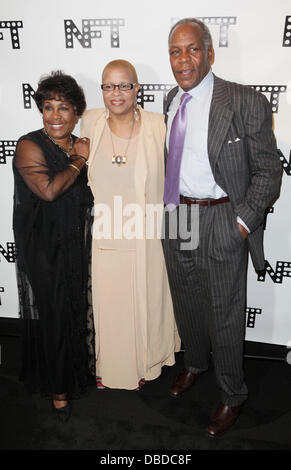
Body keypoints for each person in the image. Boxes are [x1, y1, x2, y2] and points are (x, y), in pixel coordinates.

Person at [162, 18, 282, 436]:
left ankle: (232, 395)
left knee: (226, 313)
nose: (184, 59)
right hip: (178, 216)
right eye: (176, 51)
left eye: (192, 48)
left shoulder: (245, 100)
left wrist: (242, 223)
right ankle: (195, 364)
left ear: (209, 52)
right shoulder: (170, 102)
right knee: (187, 303)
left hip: (221, 217)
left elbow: (269, 170)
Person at [81, 59, 179, 391]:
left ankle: (145, 364)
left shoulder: (158, 125)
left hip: (146, 232)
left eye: (124, 85)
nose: (117, 93)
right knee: (111, 307)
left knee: (147, 302)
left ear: (137, 88)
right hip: (107, 232)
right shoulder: (91, 123)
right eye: (109, 86)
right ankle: (111, 368)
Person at [13, 71, 94, 422]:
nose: (56, 116)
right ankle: (58, 389)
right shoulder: (29, 144)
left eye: (64, 108)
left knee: (73, 310)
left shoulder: (76, 142)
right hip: (43, 247)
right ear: (41, 111)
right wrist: (79, 159)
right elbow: (48, 190)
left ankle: (72, 374)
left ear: (76, 111)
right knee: (56, 314)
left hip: (73, 242)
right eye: (48, 107)